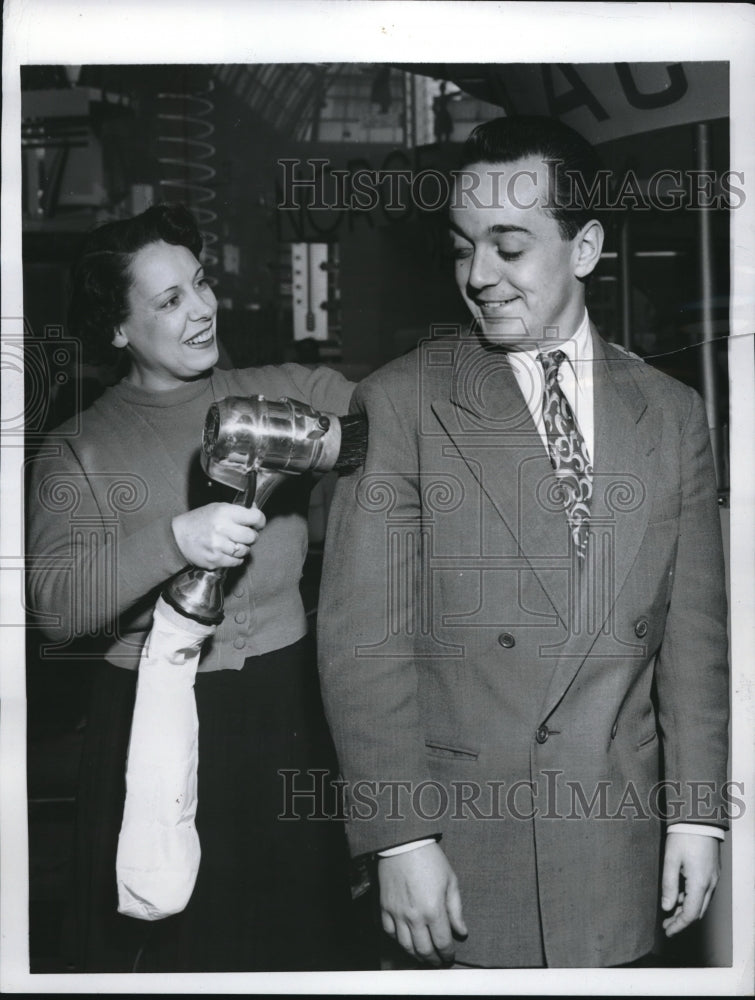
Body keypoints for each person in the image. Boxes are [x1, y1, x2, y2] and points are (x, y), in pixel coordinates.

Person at [317, 116, 729, 968]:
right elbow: (364, 645)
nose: (477, 276)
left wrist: (695, 813)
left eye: (509, 247)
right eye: (463, 247)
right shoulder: (402, 404)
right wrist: (398, 838)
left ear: (584, 248)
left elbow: (693, 641)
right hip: (466, 853)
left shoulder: (672, 411)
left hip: (620, 845)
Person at [26, 203, 366, 972]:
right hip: (146, 719)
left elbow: (391, 422)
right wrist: (175, 539)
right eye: (168, 300)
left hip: (285, 709)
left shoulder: (282, 385)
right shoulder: (79, 445)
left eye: (201, 283)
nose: (202, 308)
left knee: (298, 942)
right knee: (171, 945)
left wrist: (329, 442)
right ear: (117, 329)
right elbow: (54, 607)